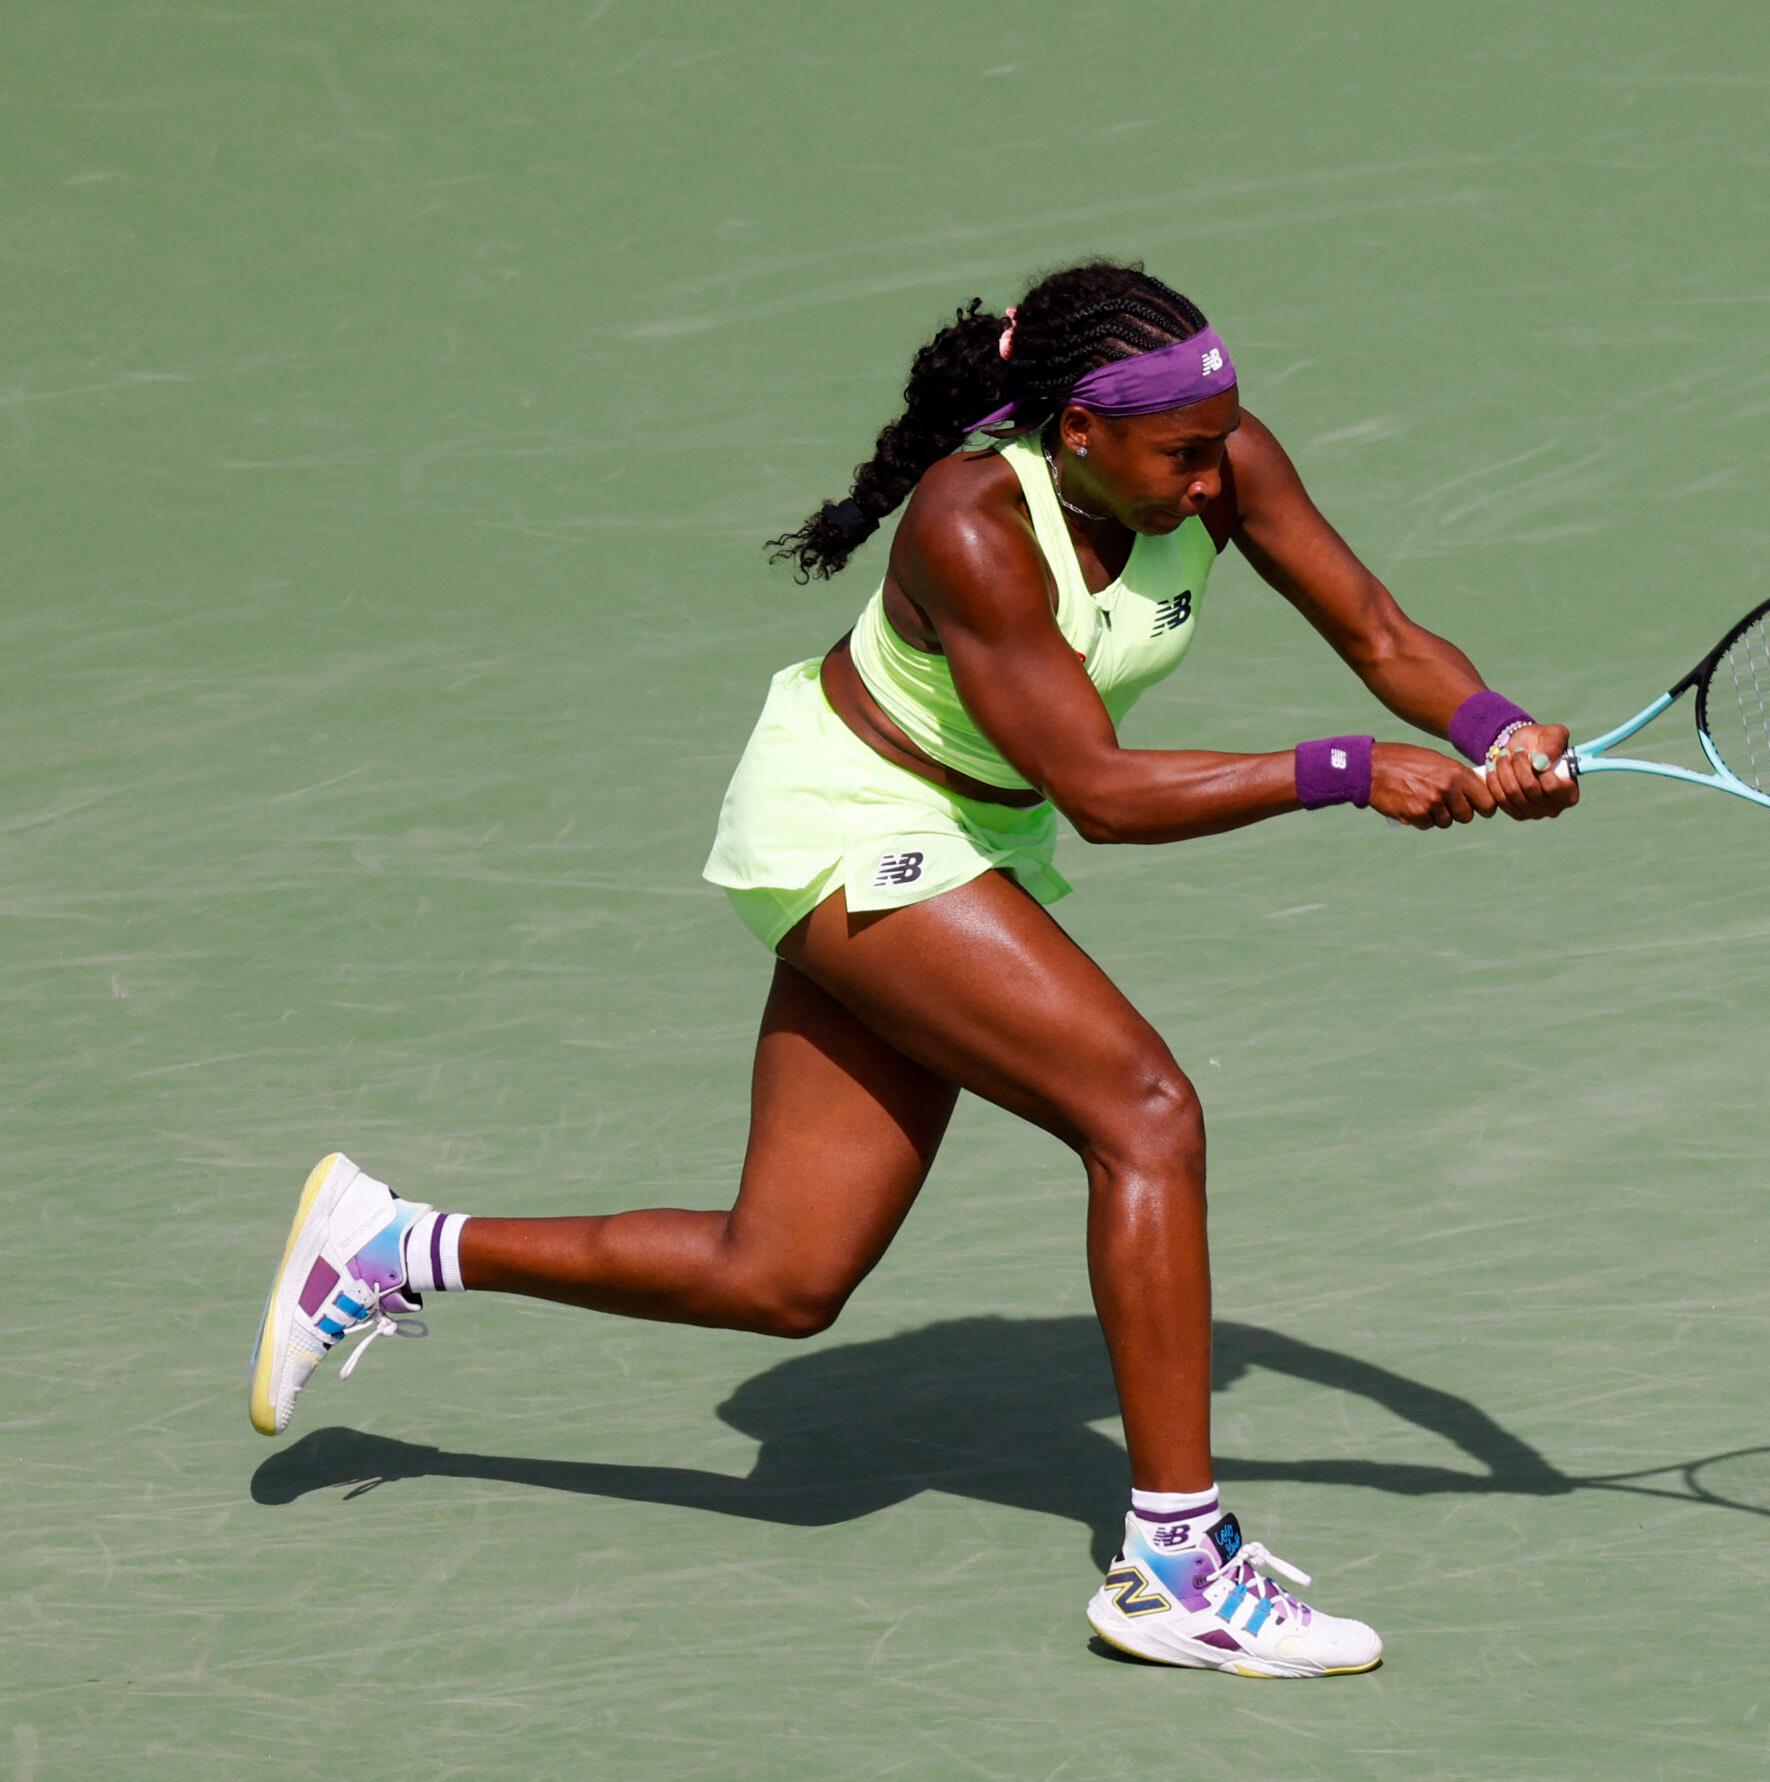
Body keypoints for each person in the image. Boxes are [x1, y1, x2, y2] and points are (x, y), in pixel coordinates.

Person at [247, 258, 1578, 1679]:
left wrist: (1492, 724)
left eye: (1217, 447)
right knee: (1144, 1112)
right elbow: (1104, 792)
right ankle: (1175, 1563)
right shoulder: (975, 522)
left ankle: (392, 1244)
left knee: (781, 1273)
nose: (1210, 484)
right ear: (1077, 431)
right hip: (856, 823)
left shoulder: (1221, 458)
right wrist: (1348, 770)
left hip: (964, 827)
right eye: (1179, 456)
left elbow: (1376, 629)